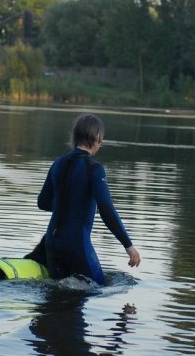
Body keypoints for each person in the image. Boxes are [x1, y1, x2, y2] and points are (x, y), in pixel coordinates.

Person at [37, 113, 141, 285]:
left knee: (56, 297)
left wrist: (67, 203)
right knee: (100, 287)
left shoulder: (57, 163)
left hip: (52, 243)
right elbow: (106, 210)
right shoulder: (95, 169)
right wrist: (129, 246)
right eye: (101, 139)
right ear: (97, 138)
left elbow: (43, 203)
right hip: (77, 244)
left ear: (75, 136)